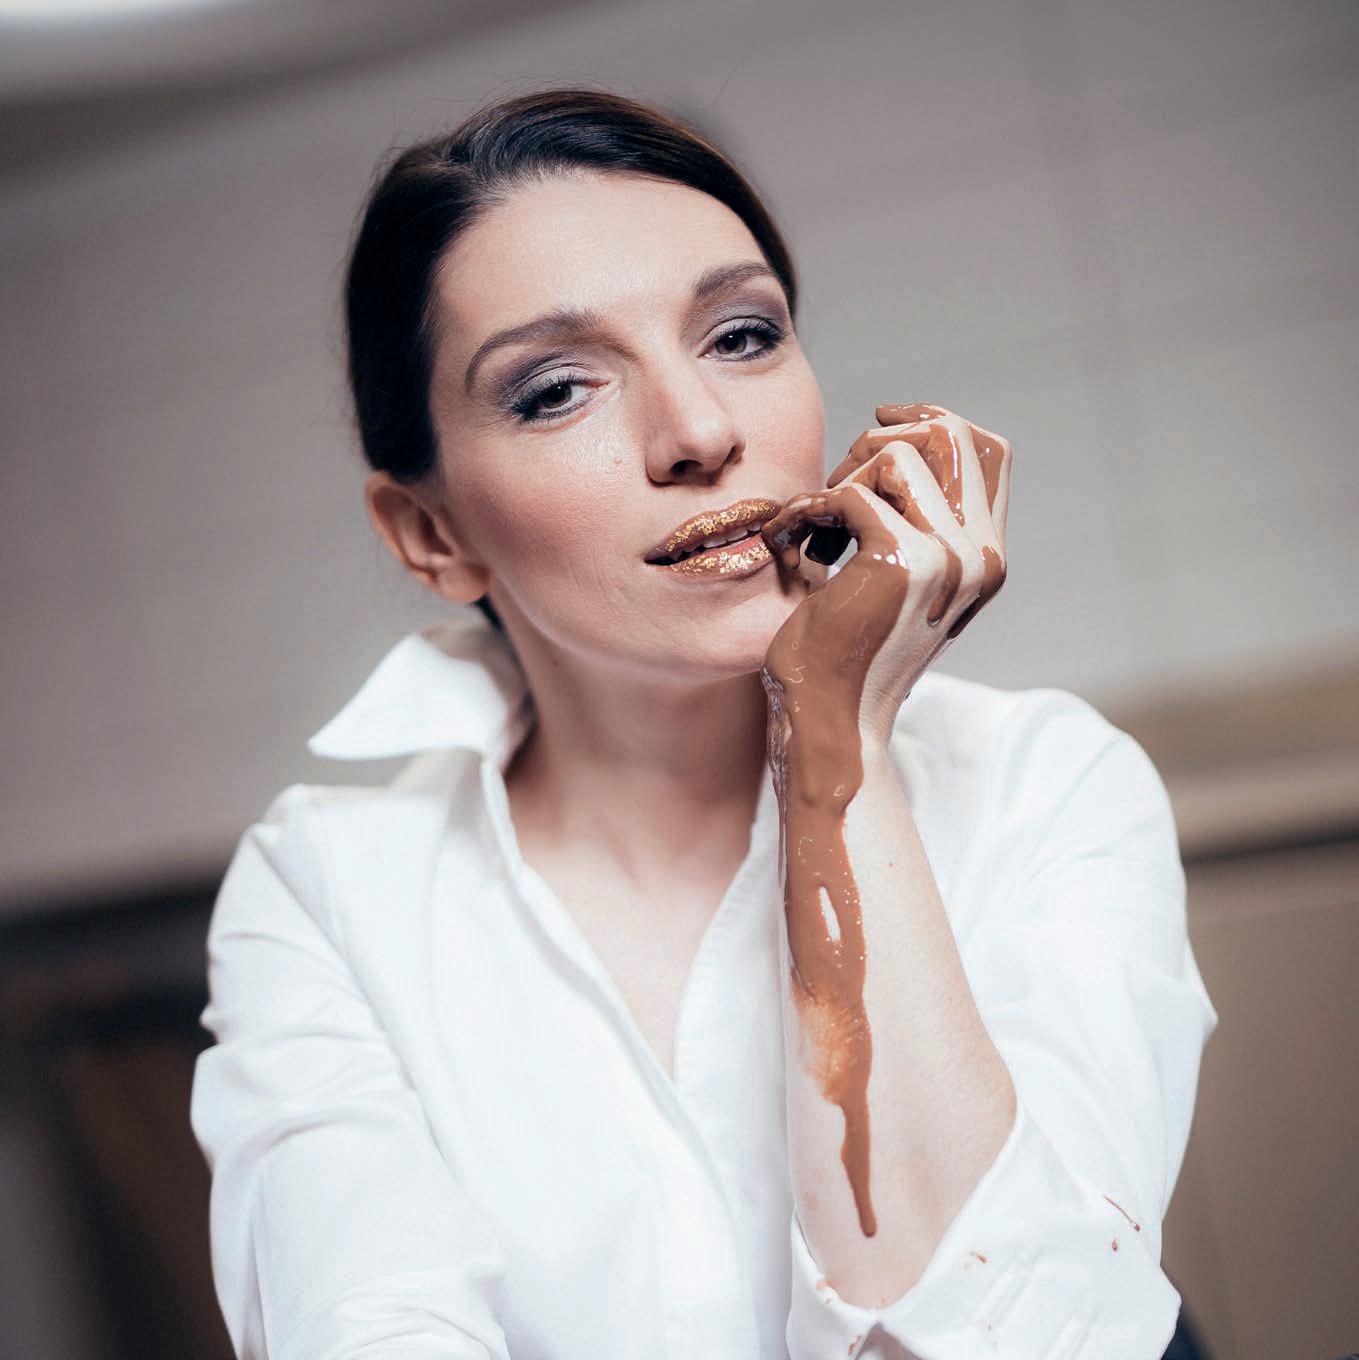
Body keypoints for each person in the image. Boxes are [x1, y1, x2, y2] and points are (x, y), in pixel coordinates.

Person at [188, 86, 1219, 1360]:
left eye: (740, 335)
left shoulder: (1041, 784)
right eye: (555, 390)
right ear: (432, 532)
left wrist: (836, 745)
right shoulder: (327, 890)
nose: (700, 432)